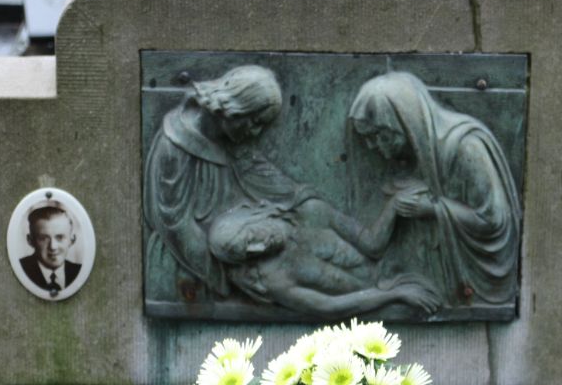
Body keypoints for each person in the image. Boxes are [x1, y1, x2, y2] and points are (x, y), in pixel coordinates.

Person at [347, 71, 521, 307]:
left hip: (479, 273)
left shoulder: (466, 147)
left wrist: (432, 208)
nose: (373, 147)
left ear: (404, 122)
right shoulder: (415, 155)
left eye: (378, 136)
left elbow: (493, 220)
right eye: (367, 139)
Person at [145, 65, 314, 297]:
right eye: (254, 122)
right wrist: (227, 278)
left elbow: (262, 176)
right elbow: (176, 226)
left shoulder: (229, 136)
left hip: (235, 253)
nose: (256, 132)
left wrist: (305, 201)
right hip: (190, 269)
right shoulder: (174, 146)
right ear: (233, 109)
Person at [207, 201, 441, 318]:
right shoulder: (274, 280)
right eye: (249, 254)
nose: (259, 247)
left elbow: (372, 245)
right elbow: (329, 307)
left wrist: (394, 206)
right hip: (382, 305)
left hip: (401, 267)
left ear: (254, 217)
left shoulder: (312, 212)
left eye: (252, 237)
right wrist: (393, 295)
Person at [19, 205, 81, 294]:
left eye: (59, 237)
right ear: (30, 241)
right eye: (43, 238)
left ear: (72, 240)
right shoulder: (22, 270)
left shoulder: (78, 272)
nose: (53, 246)